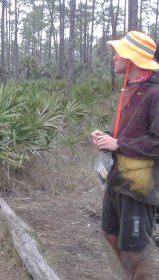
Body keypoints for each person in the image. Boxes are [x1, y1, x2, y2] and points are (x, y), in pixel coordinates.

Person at [91, 31, 159, 279]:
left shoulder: (154, 94)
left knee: (137, 249)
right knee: (110, 234)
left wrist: (118, 144)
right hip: (117, 178)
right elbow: (128, 133)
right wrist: (107, 137)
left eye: (119, 52)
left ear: (132, 59)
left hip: (138, 186)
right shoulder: (131, 89)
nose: (114, 57)